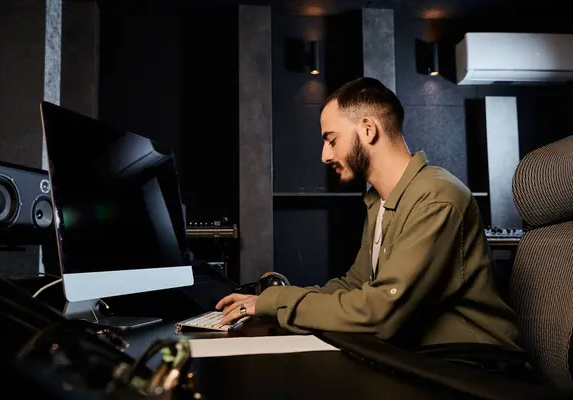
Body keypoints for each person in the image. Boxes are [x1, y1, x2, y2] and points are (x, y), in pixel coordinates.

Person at [216, 77, 519, 348]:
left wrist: (277, 301)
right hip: (421, 353)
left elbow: (380, 313)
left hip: (471, 360)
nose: (325, 155)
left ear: (368, 129)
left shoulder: (436, 198)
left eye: (331, 139)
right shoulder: (381, 201)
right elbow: (356, 286)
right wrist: (266, 302)